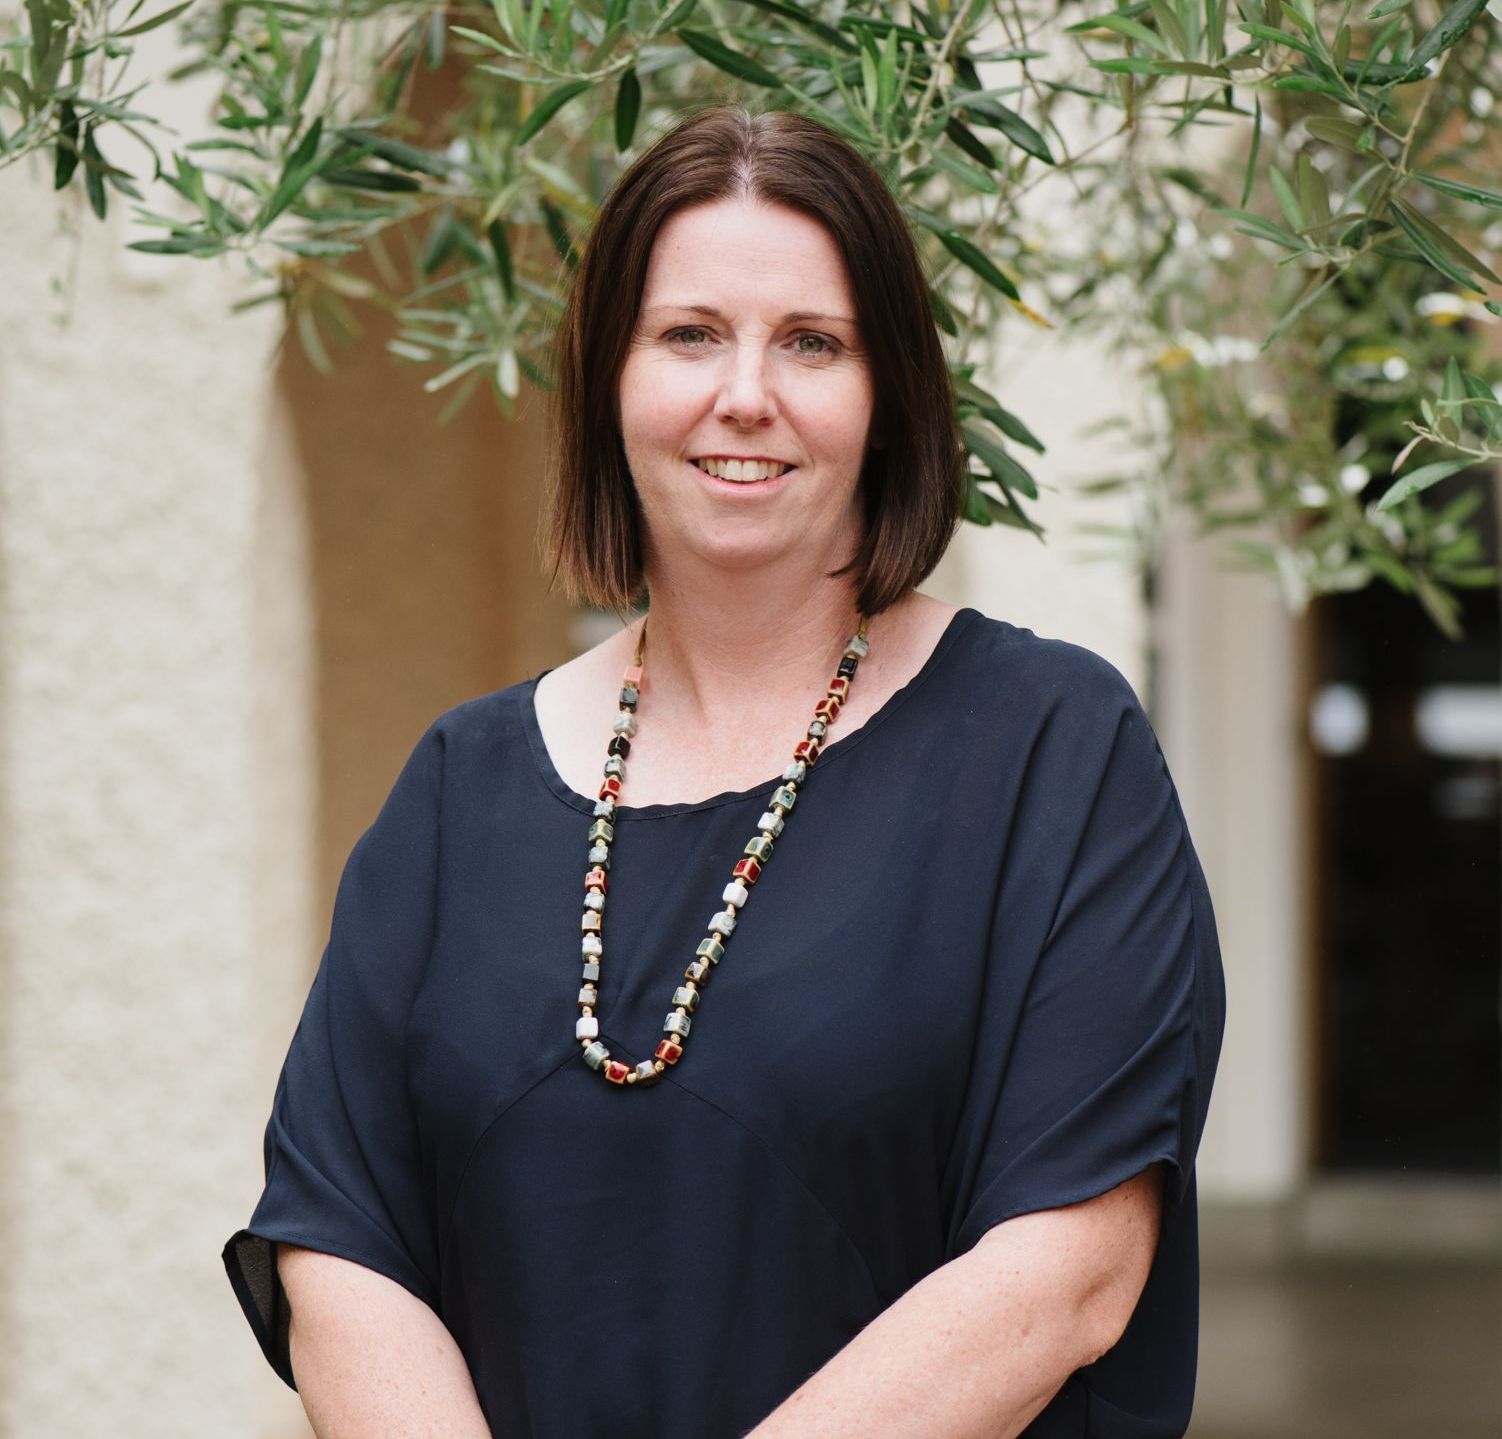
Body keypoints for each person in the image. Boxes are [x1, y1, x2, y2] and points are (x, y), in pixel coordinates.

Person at [223, 102, 1227, 1438]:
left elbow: (1066, 1279)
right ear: (608, 383)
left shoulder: (1053, 752)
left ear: (887, 400)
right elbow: (341, 1240)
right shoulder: (460, 787)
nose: (742, 393)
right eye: (688, 334)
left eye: (811, 342)